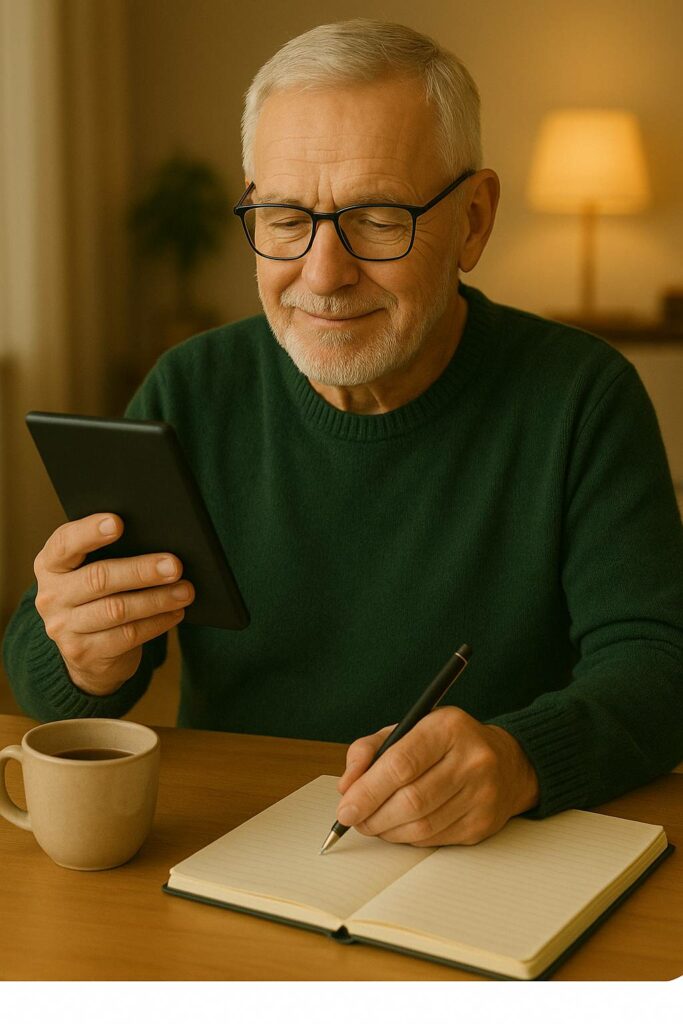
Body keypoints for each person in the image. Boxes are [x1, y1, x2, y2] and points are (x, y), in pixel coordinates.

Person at [3, 20, 683, 849]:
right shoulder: (190, 390)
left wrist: (519, 758)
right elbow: (43, 684)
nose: (322, 275)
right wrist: (79, 652)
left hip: (500, 857)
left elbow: (659, 666)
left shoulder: (580, 396)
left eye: (376, 218)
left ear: (472, 219)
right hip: (242, 845)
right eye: (286, 218)